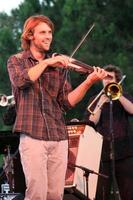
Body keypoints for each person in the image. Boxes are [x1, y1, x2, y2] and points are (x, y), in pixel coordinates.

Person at [6, 15, 108, 200]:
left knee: (55, 195)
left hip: (59, 136)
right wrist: (46, 63)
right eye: (42, 32)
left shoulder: (60, 67)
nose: (48, 36)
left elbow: (66, 102)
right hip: (32, 135)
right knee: (36, 194)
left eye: (50, 32)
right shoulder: (17, 60)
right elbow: (21, 81)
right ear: (30, 36)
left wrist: (88, 81)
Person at [84, 64, 133, 200]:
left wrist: (119, 95)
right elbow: (92, 121)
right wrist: (101, 101)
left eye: (110, 78)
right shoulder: (95, 99)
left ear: (117, 80)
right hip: (103, 153)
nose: (107, 80)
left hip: (124, 152)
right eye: (105, 77)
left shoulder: (124, 96)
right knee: (102, 192)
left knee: (128, 191)